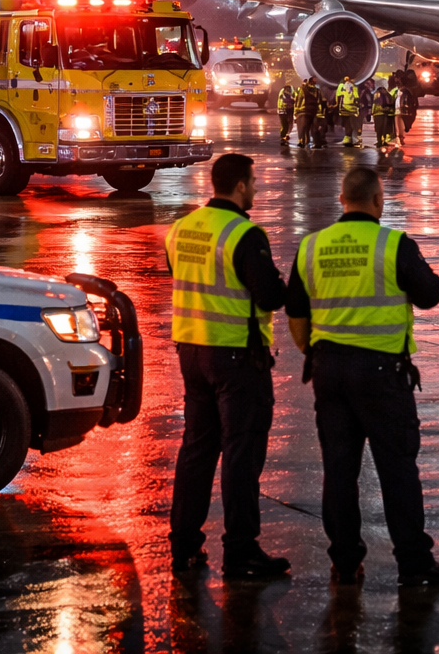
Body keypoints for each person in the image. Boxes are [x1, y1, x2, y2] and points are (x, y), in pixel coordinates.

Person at [285, 167, 439, 588]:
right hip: (382, 376)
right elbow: (431, 295)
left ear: (343, 200)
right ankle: (414, 564)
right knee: (397, 470)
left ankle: (345, 562)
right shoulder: (392, 245)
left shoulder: (312, 246)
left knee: (339, 471)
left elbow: (295, 313)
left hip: (328, 372)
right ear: (378, 201)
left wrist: (315, 352)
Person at [165, 153, 291, 579]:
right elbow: (270, 295)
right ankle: (240, 550)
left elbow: (177, 273)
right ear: (239, 186)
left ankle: (183, 544)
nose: (255, 189)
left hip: (191, 353)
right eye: (253, 182)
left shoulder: (182, 228)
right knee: (241, 454)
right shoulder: (243, 233)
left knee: (197, 451)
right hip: (236, 357)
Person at [296, 77, 323, 149]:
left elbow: (299, 100)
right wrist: (320, 113)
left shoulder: (302, 89)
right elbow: (320, 102)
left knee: (303, 128)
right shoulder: (317, 91)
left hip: (304, 111)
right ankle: (317, 143)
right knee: (314, 128)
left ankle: (303, 142)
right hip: (314, 111)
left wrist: (296, 111)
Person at [336, 76, 361, 147]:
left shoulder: (341, 85)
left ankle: (348, 137)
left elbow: (338, 95)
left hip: (344, 106)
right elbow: (356, 97)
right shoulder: (354, 86)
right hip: (352, 107)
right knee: (352, 123)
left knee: (347, 123)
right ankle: (353, 137)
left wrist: (337, 105)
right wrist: (357, 106)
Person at [371, 75, 395, 148]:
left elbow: (375, 103)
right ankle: (383, 140)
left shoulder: (377, 93)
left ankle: (379, 141)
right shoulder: (387, 93)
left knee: (379, 128)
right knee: (384, 128)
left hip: (378, 113)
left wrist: (372, 113)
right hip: (386, 113)